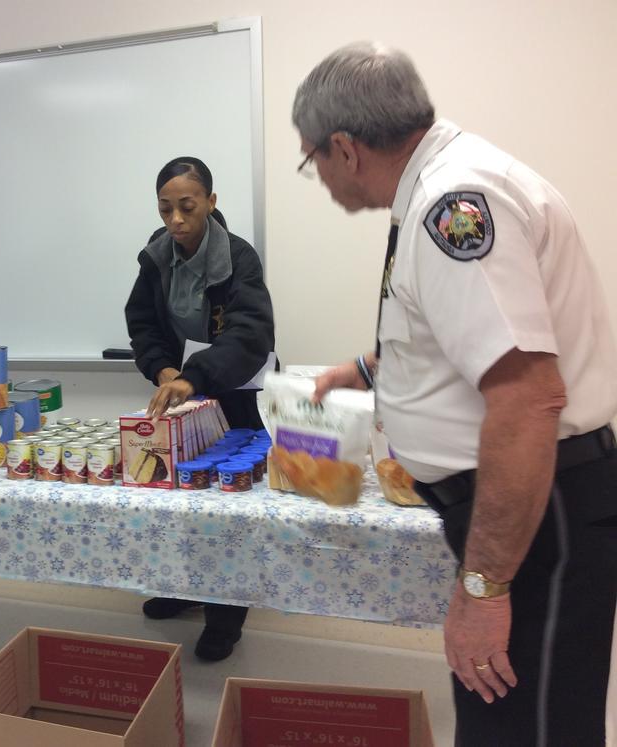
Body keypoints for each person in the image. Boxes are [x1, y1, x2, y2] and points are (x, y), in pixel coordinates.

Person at [293, 42, 617, 745]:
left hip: (541, 510)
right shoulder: (444, 180)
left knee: (526, 727)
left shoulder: (452, 206)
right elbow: (469, 337)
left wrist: (484, 589)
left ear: (344, 148)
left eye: (311, 158)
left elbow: (528, 398)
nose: (317, 177)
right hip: (532, 501)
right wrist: (370, 369)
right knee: (502, 715)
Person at [125, 156, 275, 661]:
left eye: (187, 207)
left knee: (227, 511)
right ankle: (188, 588)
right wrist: (163, 370)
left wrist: (197, 376)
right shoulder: (155, 255)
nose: (176, 220)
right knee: (181, 502)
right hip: (181, 396)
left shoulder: (239, 257)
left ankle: (226, 618)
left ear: (211, 202)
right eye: (165, 209)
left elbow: (250, 335)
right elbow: (142, 322)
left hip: (235, 395)